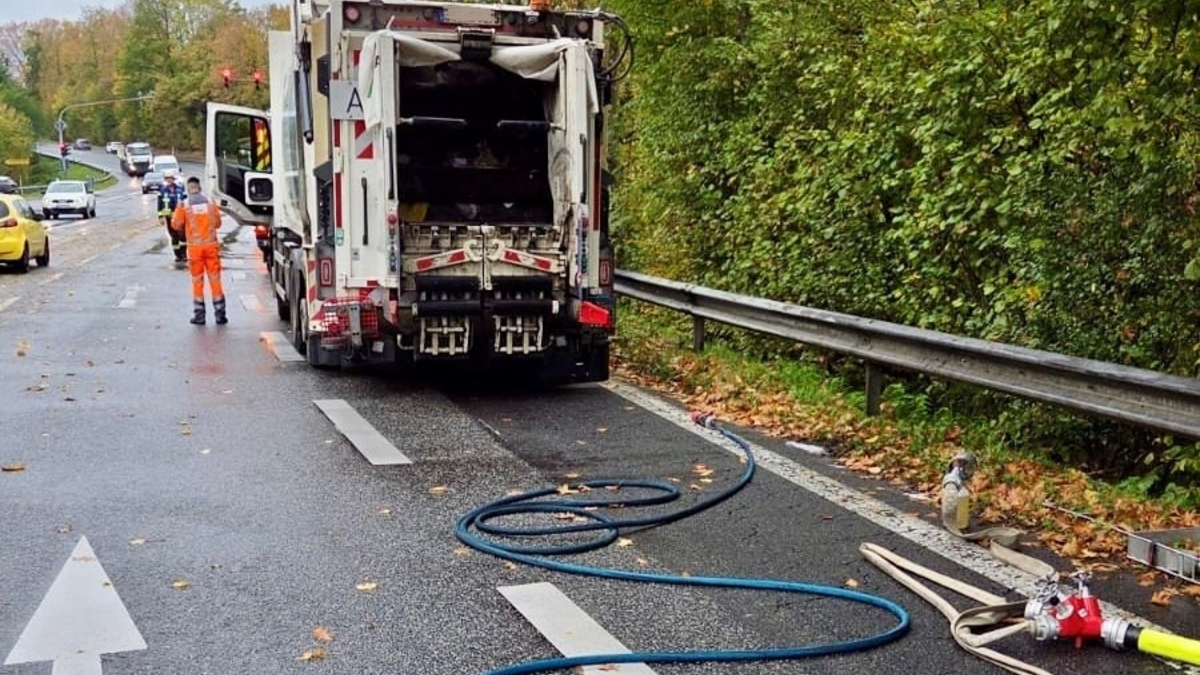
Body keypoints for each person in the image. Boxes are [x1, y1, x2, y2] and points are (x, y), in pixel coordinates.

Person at [171, 177, 227, 325]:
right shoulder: (210, 204)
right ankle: (220, 314)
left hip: (195, 249)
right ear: (199, 187)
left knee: (197, 282)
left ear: (188, 189)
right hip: (211, 247)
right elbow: (218, 223)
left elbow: (176, 225)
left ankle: (200, 315)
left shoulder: (184, 205)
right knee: (215, 280)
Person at [157, 174, 187, 262]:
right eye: (167, 179)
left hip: (180, 217)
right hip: (169, 217)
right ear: (166, 180)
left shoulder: (180, 189)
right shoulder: (162, 190)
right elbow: (159, 204)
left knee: (183, 236)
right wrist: (160, 216)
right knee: (174, 236)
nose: (169, 180)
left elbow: (186, 202)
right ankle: (178, 255)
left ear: (173, 179)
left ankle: (184, 254)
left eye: (171, 178)